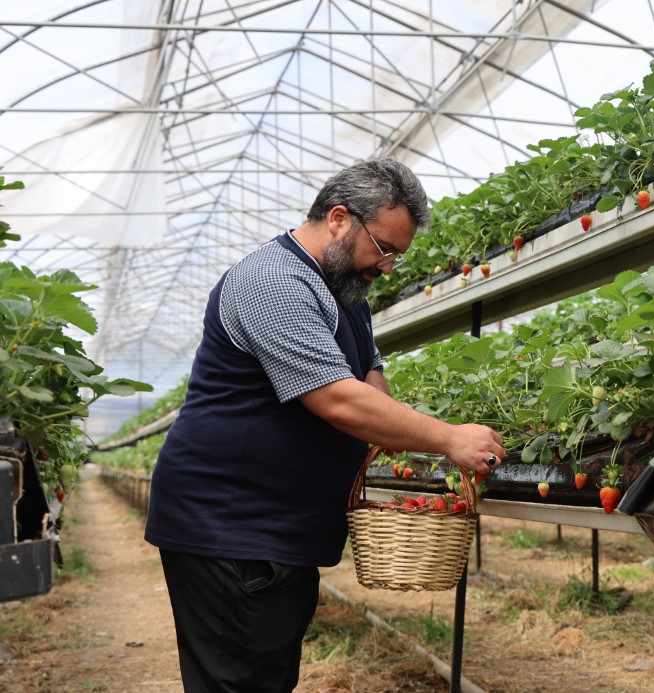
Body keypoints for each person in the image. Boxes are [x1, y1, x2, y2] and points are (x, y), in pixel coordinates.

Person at [144, 158, 504, 692]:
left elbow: (368, 380)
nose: (386, 268)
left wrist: (406, 443)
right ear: (339, 218)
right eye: (384, 250)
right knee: (236, 681)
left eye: (396, 257)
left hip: (278, 530)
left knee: (266, 676)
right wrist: (448, 437)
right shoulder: (272, 281)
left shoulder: (344, 288)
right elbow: (336, 399)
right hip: (231, 525)